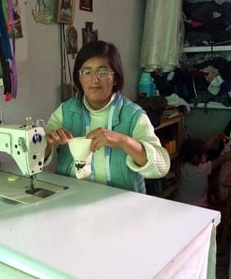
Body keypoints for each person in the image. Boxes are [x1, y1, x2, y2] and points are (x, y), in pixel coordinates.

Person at [44, 40, 170, 193]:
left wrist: (124, 141)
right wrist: (48, 144)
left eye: (103, 72)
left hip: (120, 204)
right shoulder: (65, 111)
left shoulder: (133, 115)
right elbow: (37, 156)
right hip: (71, 198)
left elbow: (161, 167)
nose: (94, 79)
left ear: (115, 78)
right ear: (79, 78)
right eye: (87, 72)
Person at [175, 133, 231, 208]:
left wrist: (214, 137)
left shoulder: (183, 165)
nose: (207, 155)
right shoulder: (201, 169)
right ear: (195, 158)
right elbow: (222, 159)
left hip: (181, 201)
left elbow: (202, 149)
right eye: (204, 154)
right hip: (197, 205)